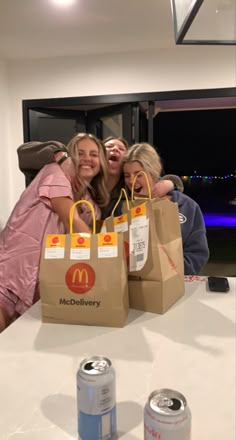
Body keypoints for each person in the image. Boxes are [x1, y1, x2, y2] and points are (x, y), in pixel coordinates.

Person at [0, 133, 109, 332]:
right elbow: (73, 221)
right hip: (11, 272)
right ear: (70, 156)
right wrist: (109, 265)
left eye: (94, 154)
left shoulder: (89, 203)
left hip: (42, 283)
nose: (87, 158)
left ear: (101, 163)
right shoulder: (54, 172)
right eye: (80, 152)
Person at [17, 135, 184, 219]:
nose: (115, 150)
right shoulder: (85, 178)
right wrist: (61, 155)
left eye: (121, 149)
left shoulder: (129, 186)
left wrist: (170, 183)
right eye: (108, 147)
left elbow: (170, 184)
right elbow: (24, 153)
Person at [122, 142, 209, 275]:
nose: (131, 181)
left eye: (139, 174)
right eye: (127, 175)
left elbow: (197, 254)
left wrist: (170, 273)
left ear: (153, 172)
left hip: (178, 287)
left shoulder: (187, 207)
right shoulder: (122, 209)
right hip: (135, 288)